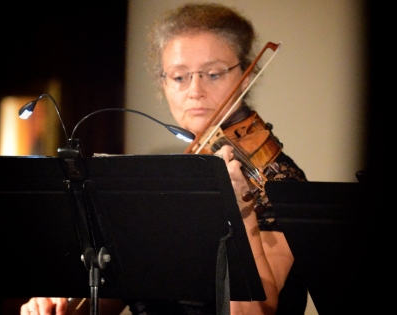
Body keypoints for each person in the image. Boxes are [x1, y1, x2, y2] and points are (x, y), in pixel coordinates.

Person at [20, 3, 307, 315]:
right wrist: (61, 302)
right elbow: (118, 295)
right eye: (179, 77)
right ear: (163, 84)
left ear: (245, 75)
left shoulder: (278, 179)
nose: (195, 91)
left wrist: (241, 213)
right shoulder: (156, 175)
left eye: (213, 74)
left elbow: (255, 312)